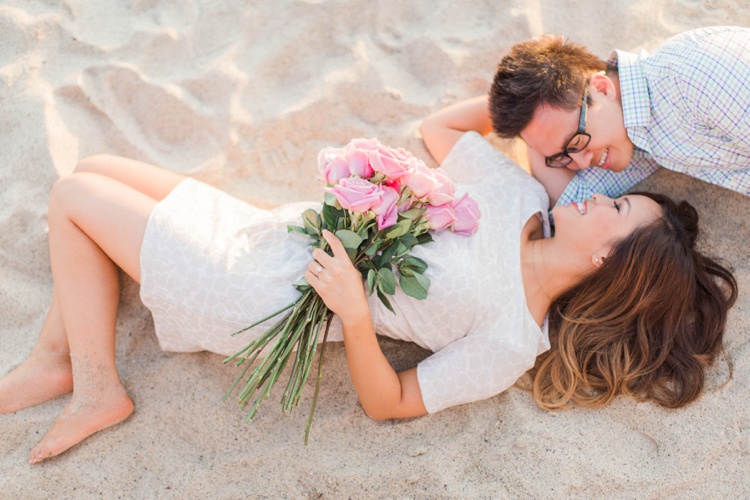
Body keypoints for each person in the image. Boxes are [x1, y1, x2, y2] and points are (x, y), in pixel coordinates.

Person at [0, 113, 736, 465]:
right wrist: (542, 106)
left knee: (72, 197)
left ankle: (95, 384)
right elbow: (437, 128)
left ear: (609, 259)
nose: (590, 193)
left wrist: (355, 312)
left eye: (611, 207)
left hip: (254, 292)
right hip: (271, 232)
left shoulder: (512, 340)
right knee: (96, 164)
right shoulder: (519, 201)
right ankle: (56, 354)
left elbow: (393, 404)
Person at [422, 26, 750, 208]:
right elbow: (571, 202)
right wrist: (521, 107)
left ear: (602, 87)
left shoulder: (693, 80)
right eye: (562, 157)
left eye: (575, 143)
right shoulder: (630, 130)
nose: (579, 163)